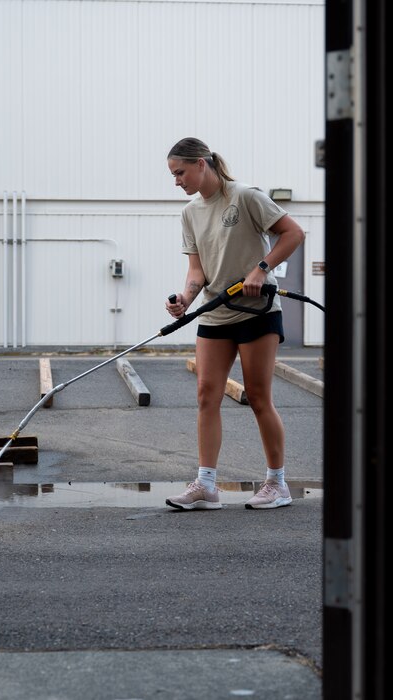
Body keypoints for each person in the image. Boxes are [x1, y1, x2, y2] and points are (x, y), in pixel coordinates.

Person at [163, 137, 305, 511]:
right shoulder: (190, 213)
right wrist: (185, 300)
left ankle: (277, 483)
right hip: (215, 312)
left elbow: (293, 234)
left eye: (180, 172)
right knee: (206, 395)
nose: (177, 181)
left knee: (258, 398)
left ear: (201, 164)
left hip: (258, 311)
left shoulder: (245, 197)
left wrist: (262, 268)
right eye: (173, 174)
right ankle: (206, 486)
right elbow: (197, 270)